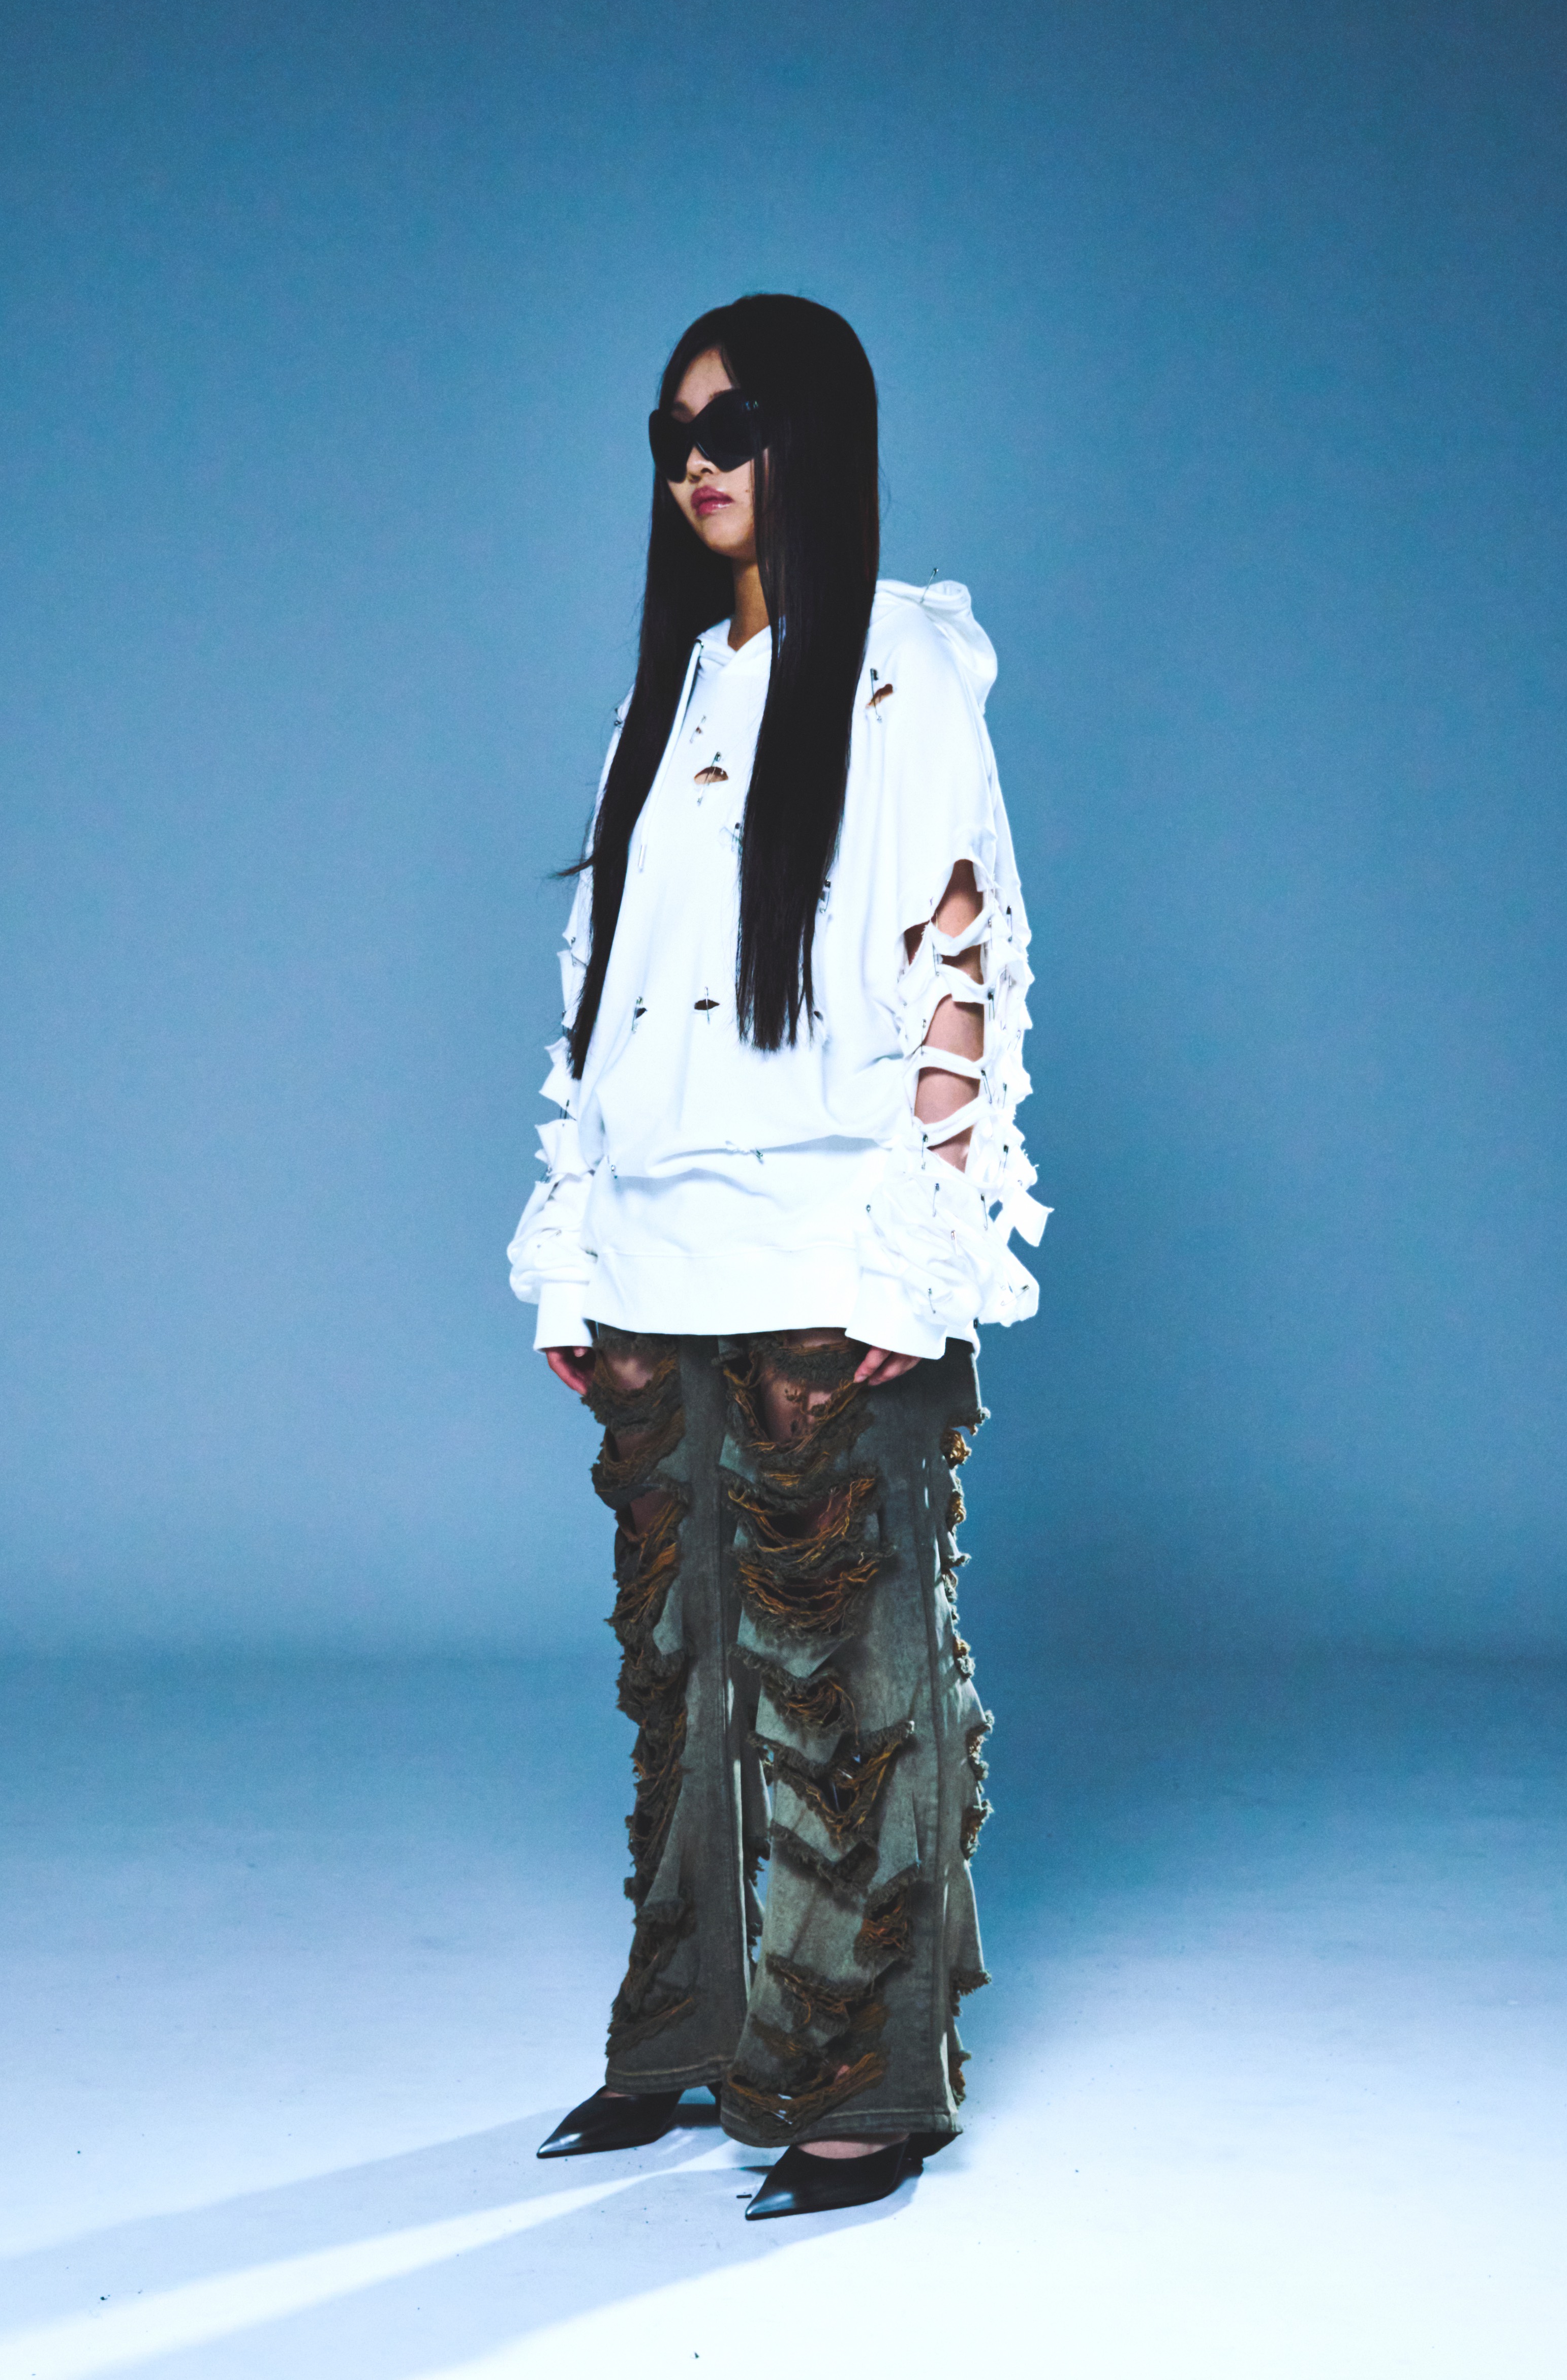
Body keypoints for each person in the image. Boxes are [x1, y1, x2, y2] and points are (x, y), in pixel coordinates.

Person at [507, 293, 1044, 2219]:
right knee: (686, 1673)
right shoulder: (663, 699)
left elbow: (958, 965)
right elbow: (605, 996)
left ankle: (861, 2080)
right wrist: (576, 1250)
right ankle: (691, 2030)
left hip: (824, 1254)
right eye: (671, 435)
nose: (696, 465)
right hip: (658, 1259)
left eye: (731, 427)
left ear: (814, 437)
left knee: (848, 1680)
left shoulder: (903, 666)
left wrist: (919, 1261)